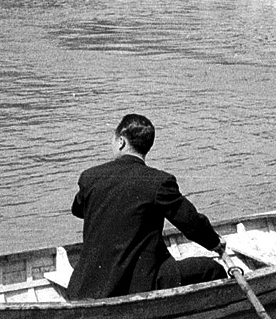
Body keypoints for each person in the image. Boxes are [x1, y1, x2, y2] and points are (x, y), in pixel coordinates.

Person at [66, 113, 229, 300]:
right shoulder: (158, 181)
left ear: (121, 142)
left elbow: (78, 210)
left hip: (85, 286)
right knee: (212, 269)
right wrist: (215, 243)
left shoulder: (90, 177)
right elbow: (190, 222)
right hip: (139, 284)